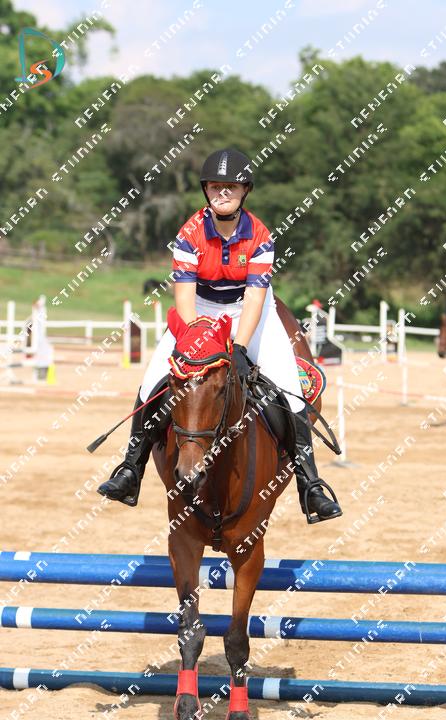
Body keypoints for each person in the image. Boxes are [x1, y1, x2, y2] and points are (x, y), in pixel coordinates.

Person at [98, 148, 342, 523]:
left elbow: (255, 298)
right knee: (152, 383)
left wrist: (239, 348)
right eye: (215, 186)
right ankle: (131, 469)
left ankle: (310, 486)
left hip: (250, 311)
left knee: (289, 387)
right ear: (205, 190)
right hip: (199, 309)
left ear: (245, 190)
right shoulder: (189, 233)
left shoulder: (259, 235)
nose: (222, 193)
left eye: (230, 187)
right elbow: (184, 296)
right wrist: (196, 341)